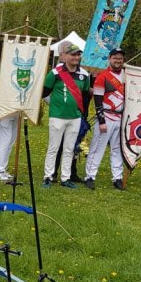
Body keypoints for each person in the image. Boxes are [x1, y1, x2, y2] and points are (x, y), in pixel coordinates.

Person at [41, 42, 90, 188]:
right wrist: (55, 104)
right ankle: (48, 177)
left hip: (75, 117)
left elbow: (85, 95)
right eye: (73, 55)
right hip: (57, 116)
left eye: (78, 55)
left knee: (69, 149)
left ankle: (65, 178)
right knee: (53, 148)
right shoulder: (55, 73)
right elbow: (44, 92)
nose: (76, 57)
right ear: (65, 56)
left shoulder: (84, 75)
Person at [84, 48, 127, 190]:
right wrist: (101, 121)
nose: (118, 60)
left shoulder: (127, 76)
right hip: (106, 116)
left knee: (118, 149)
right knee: (97, 148)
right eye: (115, 58)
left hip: (121, 117)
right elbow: (97, 100)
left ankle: (117, 177)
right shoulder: (102, 76)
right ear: (110, 58)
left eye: (120, 58)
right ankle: (90, 176)